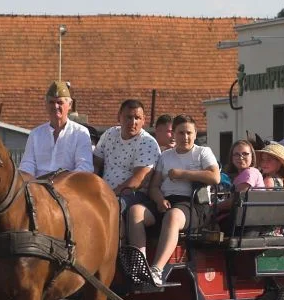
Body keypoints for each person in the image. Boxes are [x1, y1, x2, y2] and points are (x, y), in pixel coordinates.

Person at [126, 114, 220, 285]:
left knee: (173, 216)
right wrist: (159, 199)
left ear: (195, 133)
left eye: (189, 133)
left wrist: (182, 174)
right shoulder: (166, 156)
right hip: (166, 201)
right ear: (174, 134)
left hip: (193, 204)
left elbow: (215, 177)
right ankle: (139, 266)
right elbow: (154, 187)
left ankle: (156, 270)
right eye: (181, 133)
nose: (185, 137)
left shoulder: (202, 152)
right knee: (135, 211)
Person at [93, 99, 161, 215]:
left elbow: (139, 180)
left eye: (137, 118)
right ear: (119, 117)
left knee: (114, 207)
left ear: (144, 120)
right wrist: (92, 188)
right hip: (104, 191)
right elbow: (95, 163)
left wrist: (111, 195)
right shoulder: (110, 134)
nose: (133, 122)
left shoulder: (147, 143)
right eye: (129, 117)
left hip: (134, 195)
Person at [18, 80, 94, 176]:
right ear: (46, 104)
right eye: (51, 102)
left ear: (70, 105)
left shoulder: (80, 133)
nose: (55, 106)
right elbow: (27, 165)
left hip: (67, 186)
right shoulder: (36, 134)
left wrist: (60, 181)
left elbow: (85, 167)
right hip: (37, 187)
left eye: (60, 102)